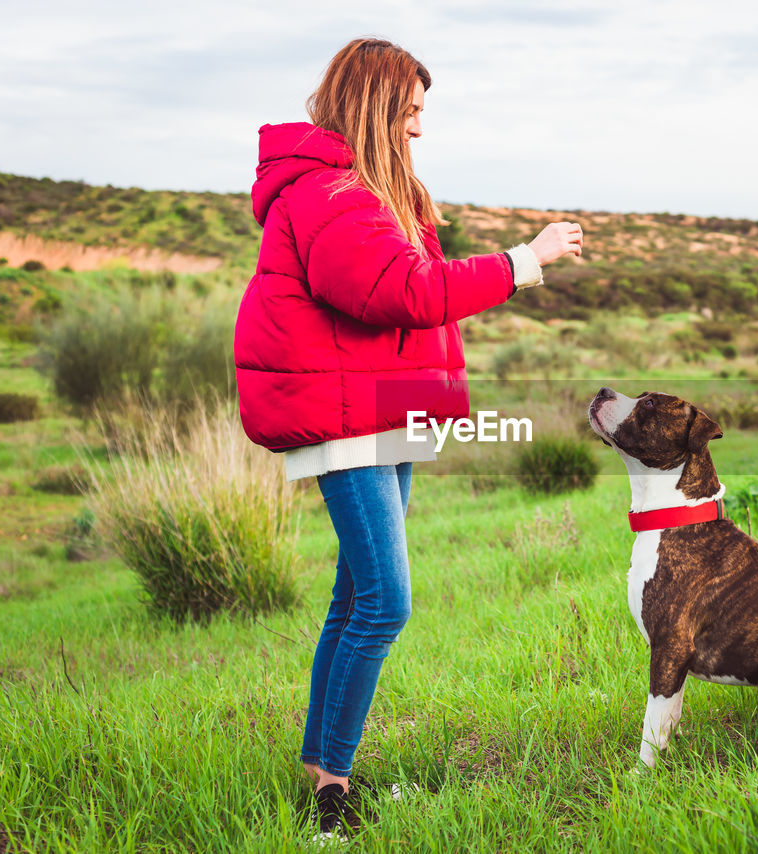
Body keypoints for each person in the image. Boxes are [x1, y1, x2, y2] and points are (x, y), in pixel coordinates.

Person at [232, 37, 583, 839]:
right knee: (385, 603)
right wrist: (524, 260)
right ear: (377, 107)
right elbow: (405, 292)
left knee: (355, 600)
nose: (419, 130)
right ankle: (332, 796)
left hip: (378, 414)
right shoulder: (331, 195)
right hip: (346, 420)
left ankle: (325, 775)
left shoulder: (360, 191)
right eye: (411, 113)